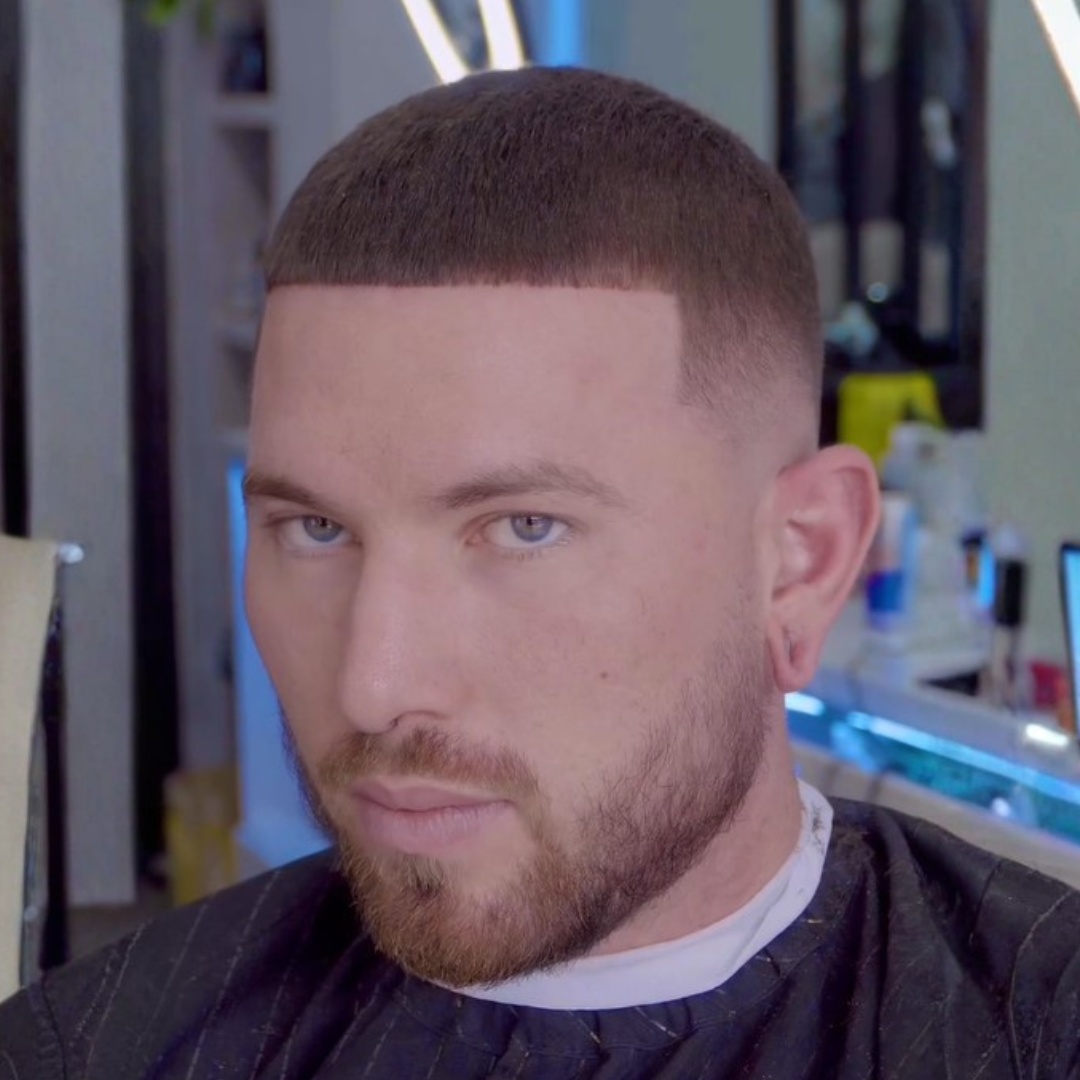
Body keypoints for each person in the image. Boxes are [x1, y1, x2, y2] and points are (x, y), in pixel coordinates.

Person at [2, 66, 1079, 1080]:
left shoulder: (1038, 1024)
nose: (373, 687)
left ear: (799, 564)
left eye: (523, 527)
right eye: (316, 529)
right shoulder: (92, 1048)